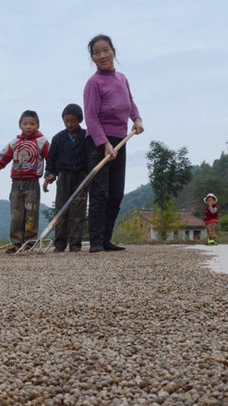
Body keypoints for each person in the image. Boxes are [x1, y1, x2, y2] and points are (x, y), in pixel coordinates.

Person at [83, 34, 144, 253]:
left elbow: (130, 102)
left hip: (121, 139)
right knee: (100, 192)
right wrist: (104, 143)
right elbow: (90, 117)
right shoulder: (93, 83)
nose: (102, 55)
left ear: (113, 52)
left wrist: (137, 119)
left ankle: (106, 239)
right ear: (92, 58)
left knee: (116, 192)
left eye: (105, 50)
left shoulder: (122, 79)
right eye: (96, 53)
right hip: (98, 142)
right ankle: (96, 241)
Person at [0, 110, 50, 253]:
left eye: (32, 124)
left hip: (32, 183)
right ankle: (16, 243)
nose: (28, 127)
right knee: (16, 214)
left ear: (38, 125)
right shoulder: (15, 143)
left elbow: (51, 158)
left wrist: (49, 176)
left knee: (31, 213)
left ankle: (29, 243)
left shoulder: (42, 142)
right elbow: (3, 158)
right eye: (25, 123)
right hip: (16, 184)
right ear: (19, 125)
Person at [43, 104, 89, 252]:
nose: (69, 124)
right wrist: (48, 176)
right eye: (66, 121)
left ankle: (75, 244)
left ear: (80, 120)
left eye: (73, 121)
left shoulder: (87, 136)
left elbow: (91, 158)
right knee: (61, 210)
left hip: (81, 178)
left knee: (78, 211)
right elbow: (51, 159)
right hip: (63, 177)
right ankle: (60, 243)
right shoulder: (58, 138)